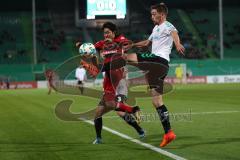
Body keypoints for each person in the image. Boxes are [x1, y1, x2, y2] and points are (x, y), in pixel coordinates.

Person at [124, 3, 185, 147]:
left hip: (158, 60)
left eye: (153, 14)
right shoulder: (156, 28)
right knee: (157, 102)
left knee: (125, 58)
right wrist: (132, 44)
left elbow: (174, 34)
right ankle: (168, 132)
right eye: (151, 14)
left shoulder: (167, 25)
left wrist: (177, 44)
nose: (151, 16)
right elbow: (147, 42)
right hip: (158, 67)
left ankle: (115, 73)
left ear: (162, 14)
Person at [77, 22, 142, 144]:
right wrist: (82, 46)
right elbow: (90, 49)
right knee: (98, 113)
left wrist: (123, 49)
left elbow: (126, 44)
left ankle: (136, 119)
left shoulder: (120, 39)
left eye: (108, 32)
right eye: (104, 33)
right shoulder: (101, 44)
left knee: (118, 111)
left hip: (119, 80)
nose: (106, 35)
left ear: (113, 32)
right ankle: (99, 138)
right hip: (108, 78)